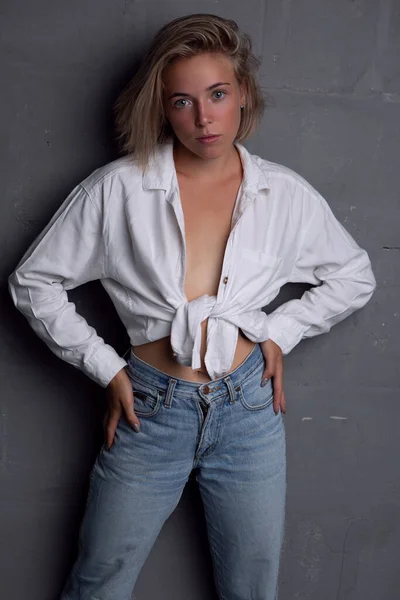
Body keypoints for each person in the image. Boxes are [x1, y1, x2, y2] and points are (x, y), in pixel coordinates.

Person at [8, 13, 376, 600]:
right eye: (182, 101)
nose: (203, 118)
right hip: (150, 411)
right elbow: (34, 281)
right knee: (100, 579)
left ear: (243, 95)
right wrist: (106, 368)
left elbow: (354, 275)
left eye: (218, 94)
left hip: (249, 412)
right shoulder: (118, 191)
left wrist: (281, 331)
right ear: (162, 106)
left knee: (252, 588)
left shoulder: (285, 195)